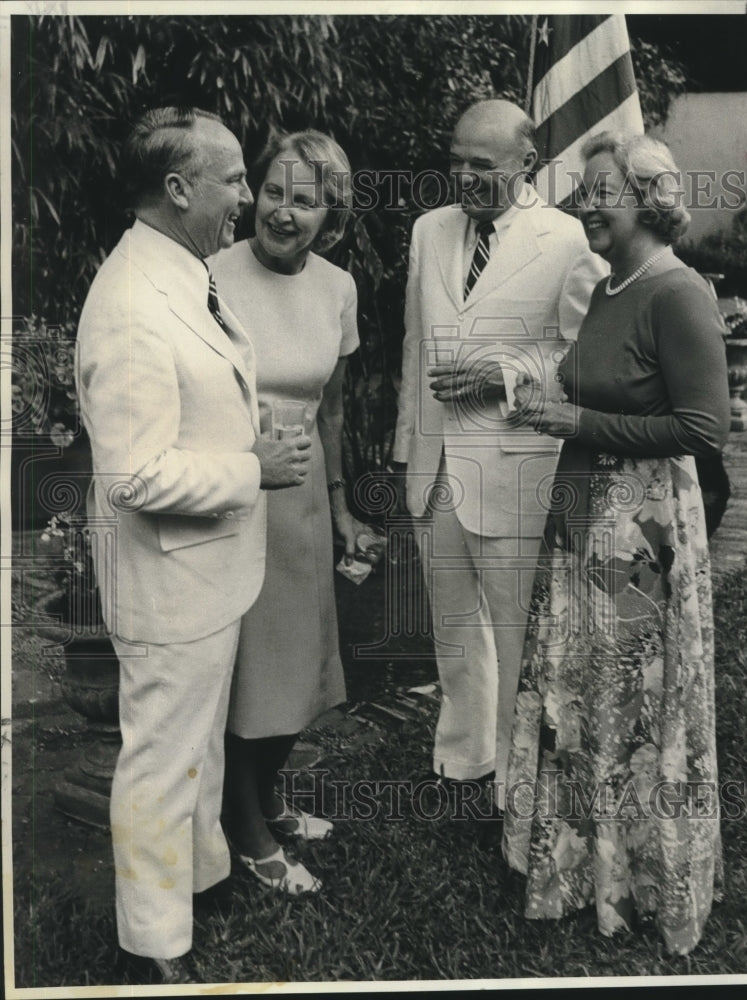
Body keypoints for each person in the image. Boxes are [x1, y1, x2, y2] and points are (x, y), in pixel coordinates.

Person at [76, 107, 312, 984]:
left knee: (199, 746)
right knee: (162, 760)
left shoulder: (180, 270)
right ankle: (154, 945)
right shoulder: (133, 302)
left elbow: (197, 393)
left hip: (206, 574)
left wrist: (239, 428)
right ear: (178, 190)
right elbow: (134, 477)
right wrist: (250, 468)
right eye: (235, 181)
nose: (248, 197)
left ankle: (203, 877)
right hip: (168, 582)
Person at [503, 131, 730, 954]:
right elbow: (587, 378)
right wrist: (534, 388)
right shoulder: (608, 287)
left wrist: (577, 420)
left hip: (641, 530)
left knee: (629, 702)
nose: (583, 205)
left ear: (645, 197)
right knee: (584, 689)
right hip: (585, 515)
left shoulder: (677, 293)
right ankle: (575, 865)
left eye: (600, 191)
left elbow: (700, 427)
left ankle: (637, 878)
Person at [391, 99, 607, 816]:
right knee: (452, 622)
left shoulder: (566, 238)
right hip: (437, 465)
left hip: (516, 461)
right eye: (454, 159)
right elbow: (413, 347)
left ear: (527, 165)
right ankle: (462, 758)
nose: (462, 176)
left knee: (516, 628)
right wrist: (405, 453)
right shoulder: (428, 230)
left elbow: (585, 357)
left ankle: (523, 780)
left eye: (480, 165)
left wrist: (503, 374)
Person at [210, 130, 362, 893]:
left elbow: (331, 412)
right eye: (273, 192)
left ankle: (269, 796)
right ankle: (243, 825)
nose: (281, 212)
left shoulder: (338, 288)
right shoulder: (208, 277)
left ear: (328, 216)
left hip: (300, 495)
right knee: (249, 671)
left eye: (304, 202)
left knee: (300, 661)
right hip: (237, 489)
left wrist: (339, 504)